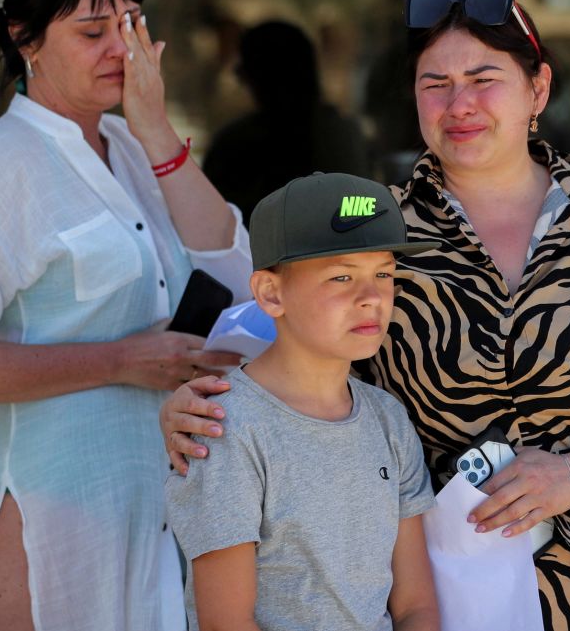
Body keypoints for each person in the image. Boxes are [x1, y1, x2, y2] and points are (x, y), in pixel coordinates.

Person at [161, 0, 570, 631]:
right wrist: (199, 410)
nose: (459, 105)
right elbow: (284, 368)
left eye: (484, 79)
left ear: (538, 90)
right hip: (421, 599)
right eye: (436, 84)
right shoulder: (377, 234)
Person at [0, 0, 252, 630]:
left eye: (130, 22)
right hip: (46, 521)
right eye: (93, 31)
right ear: (25, 40)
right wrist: (122, 359)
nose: (122, 46)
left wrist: (155, 131)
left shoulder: (131, 148)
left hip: (148, 517)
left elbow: (236, 271)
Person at [166, 172, 440, 631]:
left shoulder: (389, 420)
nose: (371, 297)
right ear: (271, 293)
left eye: (385, 273)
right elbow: (226, 622)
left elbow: (415, 604)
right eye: (341, 276)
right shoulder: (225, 427)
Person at [201, 20, 370, 221]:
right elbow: (363, 210)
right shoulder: (343, 134)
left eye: (246, 73)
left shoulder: (234, 143)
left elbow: (209, 217)